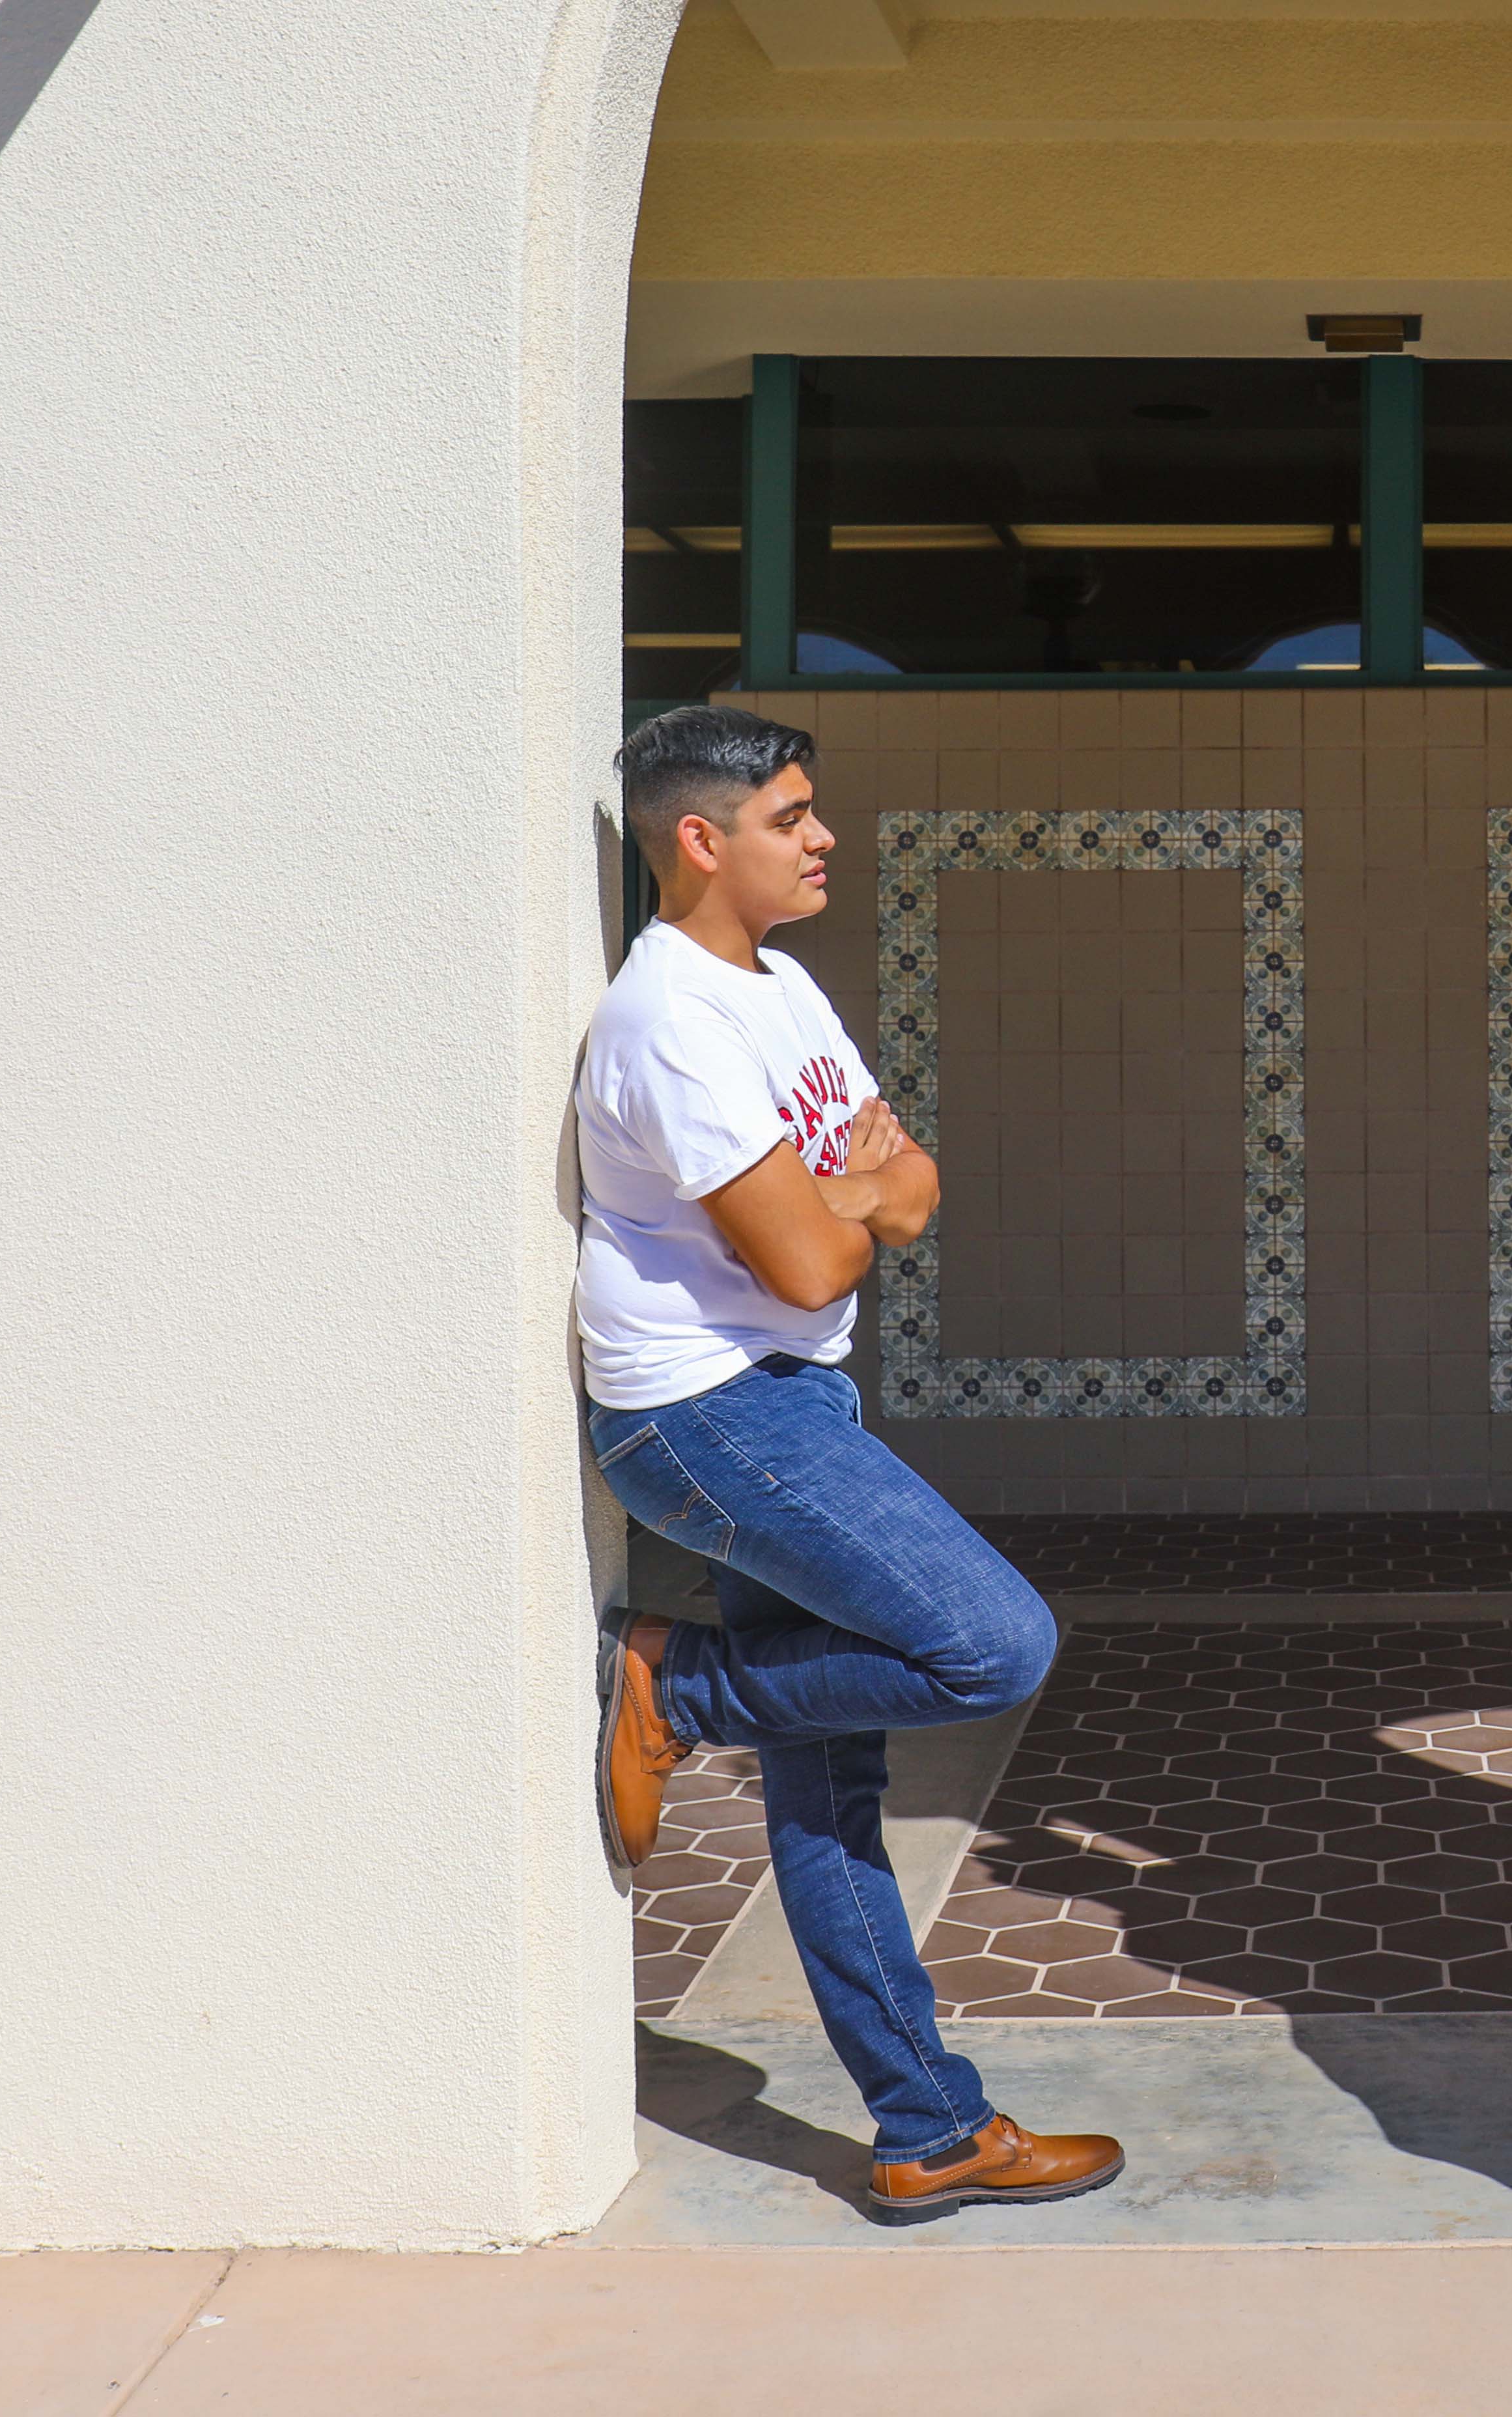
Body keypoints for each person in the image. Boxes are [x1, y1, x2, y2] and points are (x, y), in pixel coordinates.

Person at [576, 705, 1125, 2222]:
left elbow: (912, 1177)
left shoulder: (786, 987)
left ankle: (927, 2127)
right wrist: (860, 1193)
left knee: (831, 1796)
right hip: (706, 1414)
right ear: (703, 838)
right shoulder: (671, 1022)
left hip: (792, 1400)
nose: (824, 838)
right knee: (993, 1642)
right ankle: (676, 1686)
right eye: (793, 815)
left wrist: (866, 1190)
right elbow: (820, 1257)